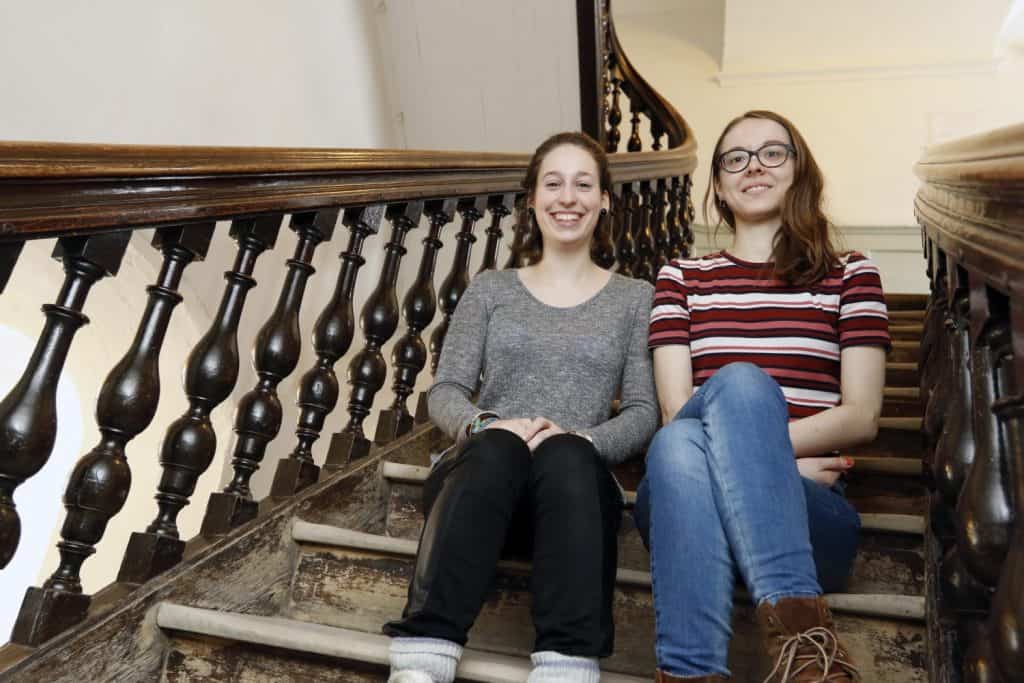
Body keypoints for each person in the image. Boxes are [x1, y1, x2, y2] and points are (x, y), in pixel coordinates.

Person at [383, 131, 659, 683]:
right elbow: (445, 391)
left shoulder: (635, 299)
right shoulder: (490, 289)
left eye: (584, 184)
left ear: (605, 199)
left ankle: (566, 668)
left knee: (565, 456)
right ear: (531, 199)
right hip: (479, 489)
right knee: (501, 447)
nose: (567, 197)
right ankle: (421, 663)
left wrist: (583, 441)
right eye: (552, 184)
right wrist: (489, 424)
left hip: (573, 501)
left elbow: (643, 411)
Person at [637, 110, 889, 682]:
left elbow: (862, 414)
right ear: (720, 187)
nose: (754, 166)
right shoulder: (679, 276)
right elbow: (677, 411)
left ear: (800, 171)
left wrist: (761, 464)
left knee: (688, 444)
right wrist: (777, 463)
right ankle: (807, 648)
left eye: (773, 153)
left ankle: (688, 671)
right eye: (736, 158)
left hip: (808, 520)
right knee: (703, 419)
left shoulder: (852, 274)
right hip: (687, 507)